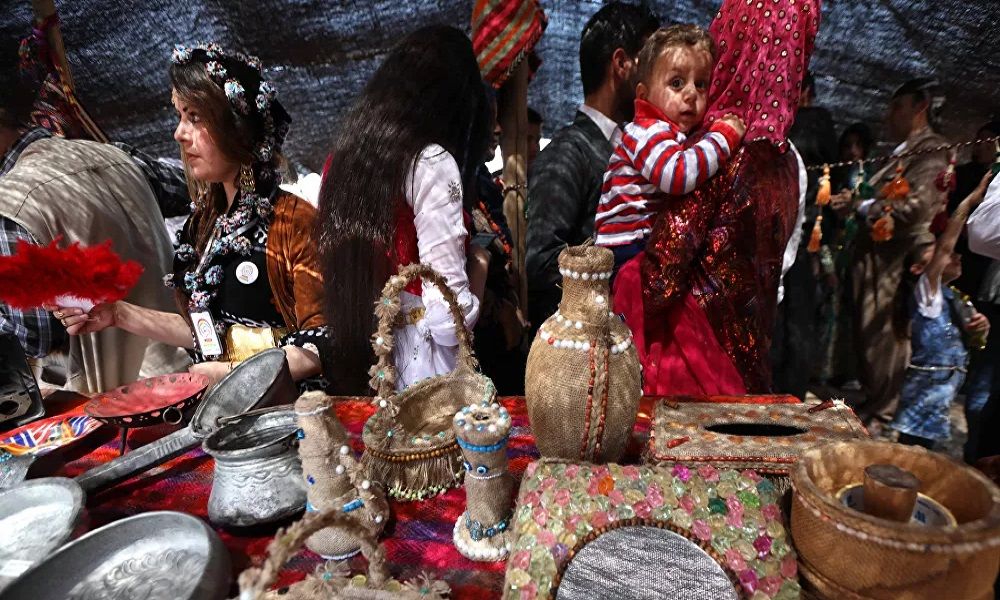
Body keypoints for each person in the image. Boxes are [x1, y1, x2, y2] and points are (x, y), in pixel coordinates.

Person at [56, 43, 326, 388]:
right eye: (180, 117)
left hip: (288, 408)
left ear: (236, 128)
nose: (179, 134)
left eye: (195, 118)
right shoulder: (204, 224)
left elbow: (318, 347)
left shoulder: (293, 222)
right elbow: (208, 333)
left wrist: (229, 374)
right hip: (226, 405)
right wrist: (118, 313)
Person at [617, 0, 818, 395]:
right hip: (748, 365)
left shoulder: (715, 151)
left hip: (688, 365)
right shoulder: (789, 163)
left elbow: (659, 279)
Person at [0, 49, 189, 393]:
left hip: (120, 400)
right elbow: (189, 189)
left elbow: (35, 340)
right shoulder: (114, 154)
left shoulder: (9, 205)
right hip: (189, 362)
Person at [318, 25, 491, 394]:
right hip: (425, 382)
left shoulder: (339, 165)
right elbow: (448, 322)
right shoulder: (430, 161)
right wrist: (479, 267)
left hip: (365, 373)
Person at [525, 1, 659, 330]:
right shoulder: (568, 153)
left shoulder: (638, 150)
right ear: (622, 63)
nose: (659, 79)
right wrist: (619, 281)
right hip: (590, 348)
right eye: (652, 64)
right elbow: (542, 261)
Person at [594, 24, 746, 271]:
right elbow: (677, 175)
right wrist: (723, 137)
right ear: (644, 95)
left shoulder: (667, 133)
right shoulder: (646, 131)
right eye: (676, 83)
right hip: (627, 249)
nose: (691, 94)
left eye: (701, 84)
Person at [850, 78, 950, 425]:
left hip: (895, 258)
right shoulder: (902, 150)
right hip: (874, 255)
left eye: (898, 107)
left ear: (920, 107)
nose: (890, 115)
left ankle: (884, 411)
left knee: (885, 336)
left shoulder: (932, 149)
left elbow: (917, 208)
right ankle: (875, 401)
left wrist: (865, 207)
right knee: (868, 336)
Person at [891, 173, 991, 449]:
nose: (956, 255)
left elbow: (975, 340)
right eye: (935, 253)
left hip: (942, 397)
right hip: (923, 395)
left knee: (923, 456)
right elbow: (947, 246)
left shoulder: (954, 297)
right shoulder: (927, 294)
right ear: (918, 269)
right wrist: (968, 203)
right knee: (910, 453)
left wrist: (981, 328)